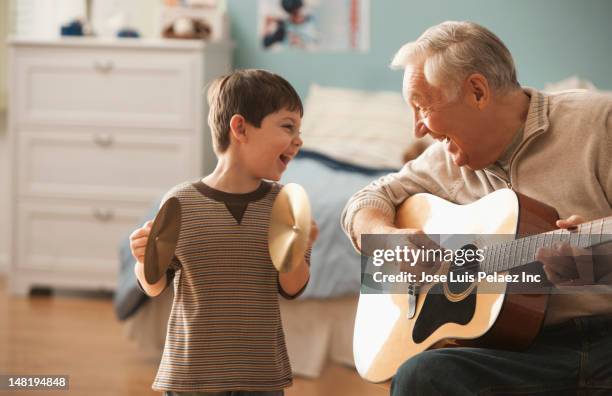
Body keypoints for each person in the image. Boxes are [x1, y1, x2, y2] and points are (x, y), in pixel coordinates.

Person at [341, 21, 612, 395]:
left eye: (422, 106)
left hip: (603, 339)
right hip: (516, 352)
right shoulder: (447, 161)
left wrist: (600, 263)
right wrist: (384, 239)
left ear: (478, 92)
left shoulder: (600, 123)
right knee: (421, 376)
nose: (417, 130)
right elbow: (368, 199)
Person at [129, 69, 318, 395]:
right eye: (288, 126)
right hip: (191, 377)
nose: (299, 140)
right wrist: (144, 259)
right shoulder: (180, 202)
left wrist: (297, 249)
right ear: (240, 128)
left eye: (299, 130)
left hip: (261, 376)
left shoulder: (285, 206)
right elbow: (154, 285)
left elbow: (292, 288)